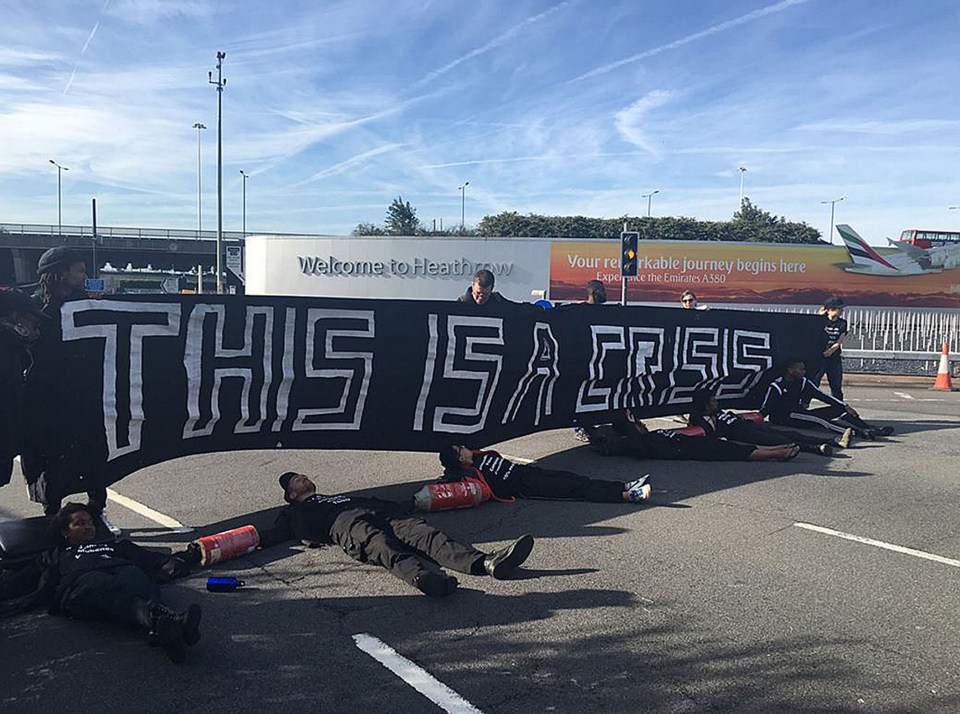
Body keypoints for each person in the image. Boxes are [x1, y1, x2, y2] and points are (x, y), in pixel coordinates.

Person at [259, 472, 535, 598]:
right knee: (380, 545)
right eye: (298, 481)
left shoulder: (336, 496)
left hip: (382, 514)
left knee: (426, 534)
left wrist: (413, 503)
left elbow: (379, 501)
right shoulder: (294, 512)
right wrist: (241, 543)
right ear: (292, 495)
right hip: (345, 525)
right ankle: (424, 578)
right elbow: (277, 533)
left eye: (304, 476)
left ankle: (485, 563)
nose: (305, 479)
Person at [0, 503, 202, 663]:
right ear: (65, 532)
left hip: (122, 575)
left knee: (133, 576)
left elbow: (155, 560)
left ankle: (164, 630)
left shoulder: (117, 547)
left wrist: (190, 555)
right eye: (79, 523)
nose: (88, 527)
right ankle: (170, 621)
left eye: (90, 522)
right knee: (111, 588)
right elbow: (19, 580)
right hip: (81, 586)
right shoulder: (56, 555)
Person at [22, 248, 115, 530]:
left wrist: (99, 306)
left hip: (84, 398)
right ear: (61, 273)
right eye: (80, 271)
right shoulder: (32, 308)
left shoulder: (86, 304)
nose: (84, 277)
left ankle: (96, 514)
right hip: (46, 400)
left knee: (94, 456)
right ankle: (53, 519)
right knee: (49, 459)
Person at [438, 445, 652, 504]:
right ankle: (627, 497)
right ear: (459, 459)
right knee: (575, 490)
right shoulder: (470, 474)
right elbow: (456, 482)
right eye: (460, 449)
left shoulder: (478, 456)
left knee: (576, 479)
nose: (465, 447)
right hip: (527, 487)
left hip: (530, 471)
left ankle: (623, 486)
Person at [588, 408, 800, 461]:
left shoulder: (647, 436)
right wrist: (632, 425)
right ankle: (776, 453)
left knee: (730, 446)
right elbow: (636, 448)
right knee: (730, 450)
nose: (643, 424)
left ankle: (775, 450)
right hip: (685, 449)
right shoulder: (641, 443)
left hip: (686, 442)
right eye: (640, 424)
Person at [760, 359, 893, 441]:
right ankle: (858, 432)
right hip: (785, 417)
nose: (803, 372)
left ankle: (869, 428)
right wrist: (757, 418)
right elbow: (766, 408)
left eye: (804, 369)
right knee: (820, 421)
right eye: (800, 369)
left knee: (838, 409)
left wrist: (845, 406)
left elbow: (821, 395)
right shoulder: (777, 385)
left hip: (800, 412)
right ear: (790, 370)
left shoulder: (803, 382)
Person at [689, 389, 847, 456]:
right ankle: (816, 449)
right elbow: (709, 431)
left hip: (747, 426)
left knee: (790, 434)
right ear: (706, 404)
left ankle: (830, 440)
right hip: (744, 434)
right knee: (780, 441)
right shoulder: (704, 418)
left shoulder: (718, 412)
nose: (716, 402)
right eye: (713, 400)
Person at [1, 288, 46, 488]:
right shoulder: (6, 352)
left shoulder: (13, 350)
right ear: (15, 318)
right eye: (33, 323)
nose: (36, 330)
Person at [812, 297, 848, 401]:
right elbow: (812, 329)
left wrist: (831, 350)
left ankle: (839, 408)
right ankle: (804, 405)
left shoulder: (842, 323)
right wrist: (819, 315)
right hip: (819, 357)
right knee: (814, 383)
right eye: (839, 308)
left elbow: (839, 341)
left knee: (836, 385)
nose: (841, 311)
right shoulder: (820, 321)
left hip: (834, 358)